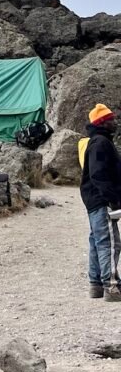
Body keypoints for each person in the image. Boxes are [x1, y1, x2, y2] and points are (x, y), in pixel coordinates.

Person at [81, 104, 121, 302]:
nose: (115, 122)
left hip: (93, 200)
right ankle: (112, 286)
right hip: (101, 200)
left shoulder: (96, 142)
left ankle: (95, 284)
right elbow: (98, 175)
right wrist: (113, 198)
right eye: (111, 119)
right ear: (103, 123)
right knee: (110, 242)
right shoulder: (101, 143)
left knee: (96, 241)